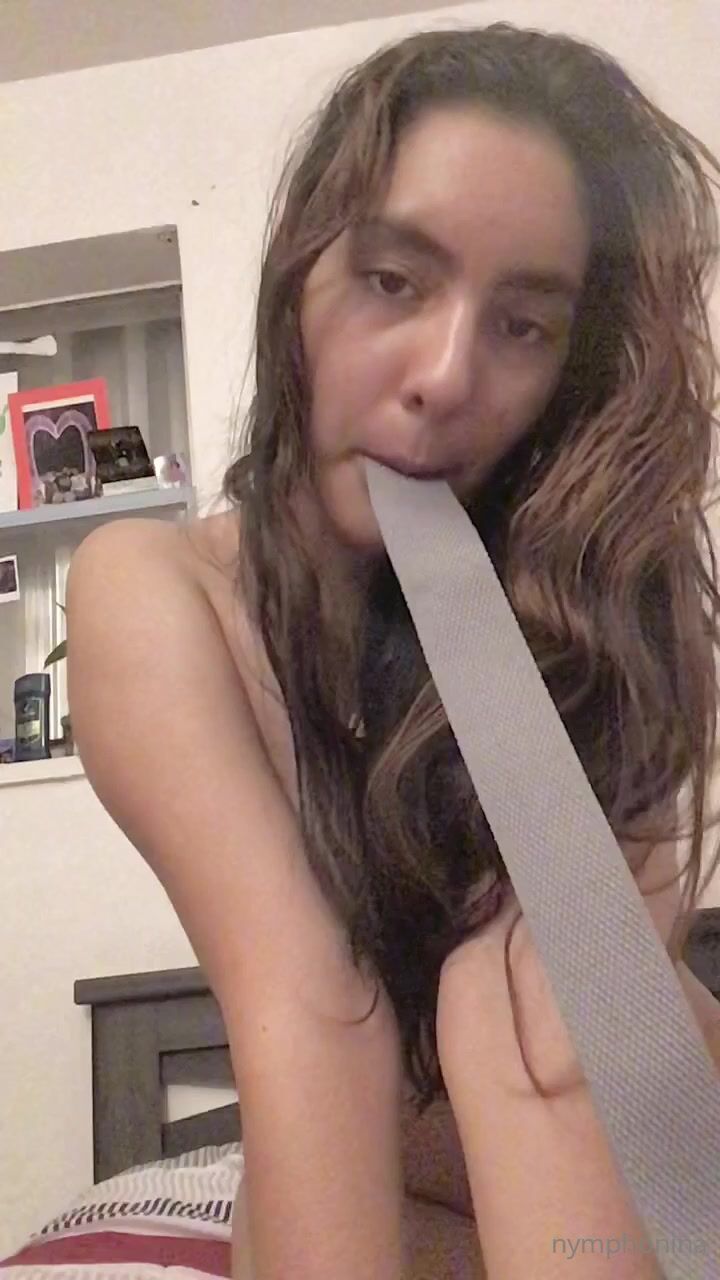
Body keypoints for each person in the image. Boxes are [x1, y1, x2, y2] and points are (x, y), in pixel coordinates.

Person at [66, 22, 720, 1280]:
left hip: (637, 1161)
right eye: (393, 281)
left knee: (510, 990)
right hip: (406, 1195)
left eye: (523, 325)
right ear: (297, 279)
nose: (445, 376)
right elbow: (319, 1012)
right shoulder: (161, 592)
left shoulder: (585, 600)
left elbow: (562, 1051)